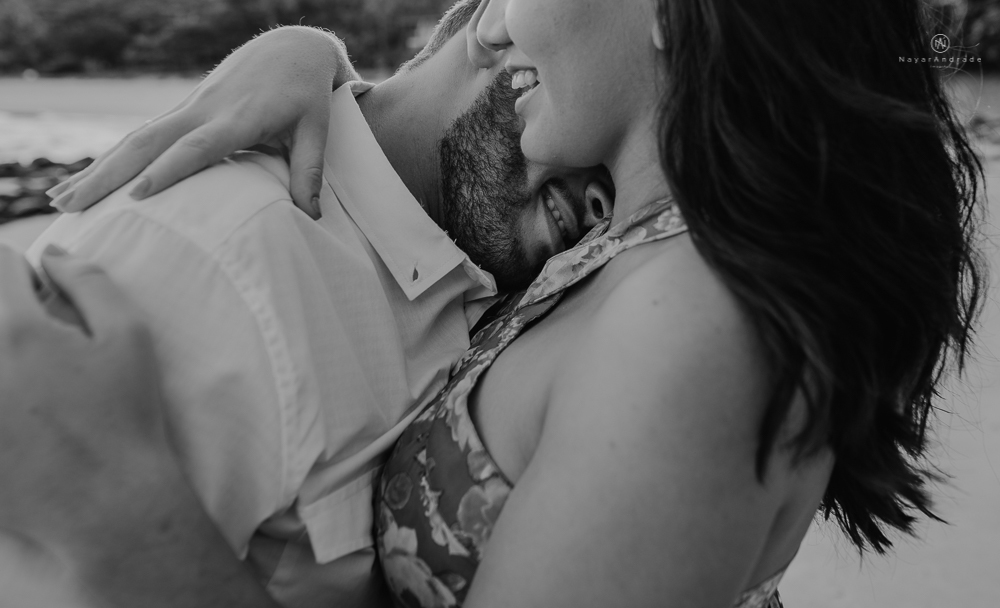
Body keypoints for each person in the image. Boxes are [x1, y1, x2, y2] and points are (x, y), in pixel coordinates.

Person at [0, 0, 985, 606]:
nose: (505, 20)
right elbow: (425, 134)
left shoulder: (687, 320)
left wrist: (123, 519)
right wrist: (310, 58)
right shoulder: (617, 258)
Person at [13, 5, 611, 608]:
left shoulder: (499, 279)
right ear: (503, 26)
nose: (601, 209)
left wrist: (308, 48)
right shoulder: (220, 261)